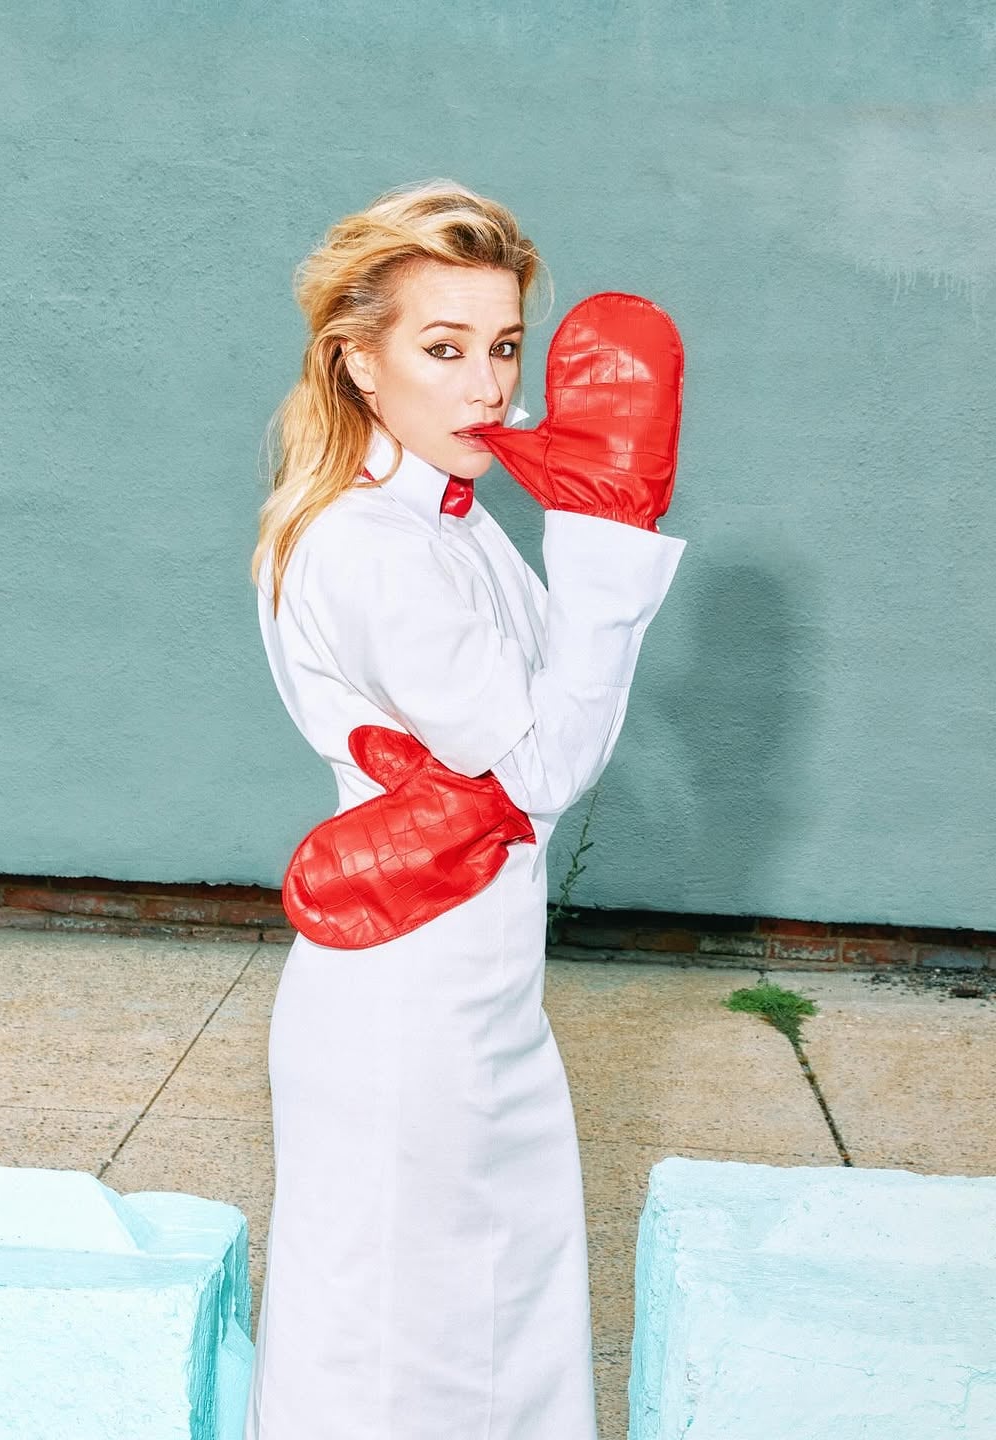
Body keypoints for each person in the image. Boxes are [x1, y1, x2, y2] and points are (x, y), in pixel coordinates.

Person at [246, 179, 687, 1439]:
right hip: (408, 1014)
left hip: (478, 992)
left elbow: (538, 743)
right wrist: (603, 542)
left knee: (493, 1336)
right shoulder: (371, 548)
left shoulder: (453, 523)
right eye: (443, 350)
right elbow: (547, 767)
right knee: (400, 1360)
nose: (489, 387)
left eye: (502, 347)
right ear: (358, 362)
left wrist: (580, 540)